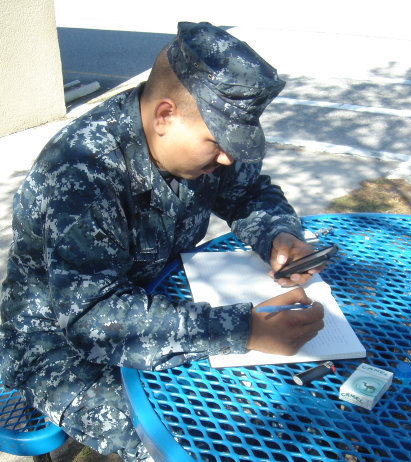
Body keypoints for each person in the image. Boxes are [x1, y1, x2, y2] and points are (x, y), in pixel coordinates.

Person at [0, 22, 324, 461]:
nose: (228, 158)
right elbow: (94, 317)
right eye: (218, 143)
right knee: (208, 436)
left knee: (274, 400)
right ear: (165, 116)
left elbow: (249, 192)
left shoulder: (201, 145)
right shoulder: (82, 171)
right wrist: (243, 328)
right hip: (59, 347)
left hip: (158, 304)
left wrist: (279, 235)